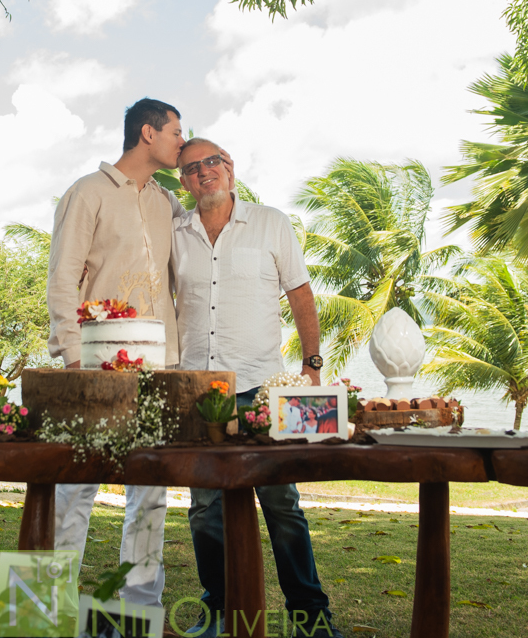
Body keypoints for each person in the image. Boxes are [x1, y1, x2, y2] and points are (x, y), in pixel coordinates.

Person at [171, 137, 344, 638]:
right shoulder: (174, 232)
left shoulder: (271, 222)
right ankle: (220, 610)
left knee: (281, 502)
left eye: (213, 161)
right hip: (199, 390)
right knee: (205, 508)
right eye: (193, 167)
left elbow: (301, 293)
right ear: (183, 181)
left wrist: (312, 366)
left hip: (265, 385)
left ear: (230, 168)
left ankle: (311, 618)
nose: (205, 171)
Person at [46, 97, 188, 612]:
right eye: (176, 132)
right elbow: (63, 278)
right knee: (75, 485)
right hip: (96, 364)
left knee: (150, 489)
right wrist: (73, 356)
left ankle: (140, 606)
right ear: (148, 133)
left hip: (159, 366)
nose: (182, 142)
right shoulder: (88, 192)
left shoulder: (166, 203)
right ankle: (49, 605)